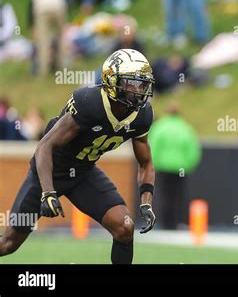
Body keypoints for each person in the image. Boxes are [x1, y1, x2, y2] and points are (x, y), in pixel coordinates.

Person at [0, 49, 157, 264]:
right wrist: (47, 192)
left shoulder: (142, 115)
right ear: (112, 81)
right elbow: (45, 146)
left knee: (125, 227)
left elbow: (146, 162)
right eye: (131, 83)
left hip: (83, 172)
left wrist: (146, 202)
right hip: (50, 169)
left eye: (142, 84)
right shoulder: (89, 103)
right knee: (8, 244)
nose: (138, 90)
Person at [148, 103, 201, 230]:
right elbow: (193, 149)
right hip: (181, 168)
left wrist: (152, 163)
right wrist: (189, 165)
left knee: (165, 195)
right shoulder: (186, 128)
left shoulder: (160, 127)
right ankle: (176, 223)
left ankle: (165, 223)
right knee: (179, 196)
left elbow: (153, 147)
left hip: (163, 167)